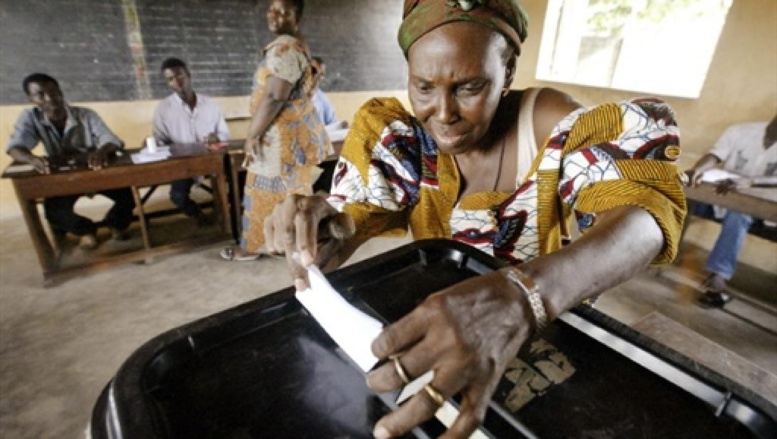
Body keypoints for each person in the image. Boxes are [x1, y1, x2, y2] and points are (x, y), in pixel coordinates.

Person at [263, 1, 686, 437]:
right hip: (448, 337)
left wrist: (524, 296)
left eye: (469, 87)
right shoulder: (406, 140)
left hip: (542, 336)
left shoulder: (551, 127)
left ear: (509, 70)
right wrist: (331, 228)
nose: (443, 114)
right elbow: (360, 208)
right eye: (423, 87)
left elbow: (644, 216)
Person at [219, 0, 330, 261]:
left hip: (280, 139)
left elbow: (274, 96)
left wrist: (252, 135)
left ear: (297, 16)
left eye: (283, 11)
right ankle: (295, 245)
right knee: (289, 193)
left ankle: (257, 248)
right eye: (271, 9)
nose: (274, 15)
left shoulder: (284, 49)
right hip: (288, 138)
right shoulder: (295, 45)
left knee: (268, 192)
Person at [6, 73, 135, 250]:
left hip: (94, 168)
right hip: (62, 175)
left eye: (53, 91)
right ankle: (85, 230)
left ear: (60, 91)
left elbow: (112, 140)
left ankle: (115, 224)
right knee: (54, 212)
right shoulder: (30, 118)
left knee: (126, 197)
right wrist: (32, 159)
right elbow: (15, 147)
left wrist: (101, 151)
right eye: (40, 94)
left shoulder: (85, 114)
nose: (50, 98)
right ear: (31, 99)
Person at [683, 116, 777, 308]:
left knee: (739, 213)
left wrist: (750, 181)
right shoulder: (740, 131)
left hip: (761, 209)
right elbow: (715, 155)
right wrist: (697, 169)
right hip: (722, 196)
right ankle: (659, 248)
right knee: (682, 195)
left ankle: (718, 277)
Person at [152, 57, 230, 226]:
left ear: (188, 75)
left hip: (212, 160)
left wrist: (215, 139)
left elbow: (223, 133)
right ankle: (198, 216)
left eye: (179, 75)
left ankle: (229, 213)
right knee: (177, 195)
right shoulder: (163, 109)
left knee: (240, 178)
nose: (177, 82)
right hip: (183, 164)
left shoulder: (210, 104)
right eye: (170, 79)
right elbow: (160, 141)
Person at [310, 56, 348, 131]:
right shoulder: (290, 96)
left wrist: (340, 126)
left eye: (321, 75)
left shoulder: (321, 98)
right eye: (314, 72)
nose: (317, 77)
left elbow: (332, 123)